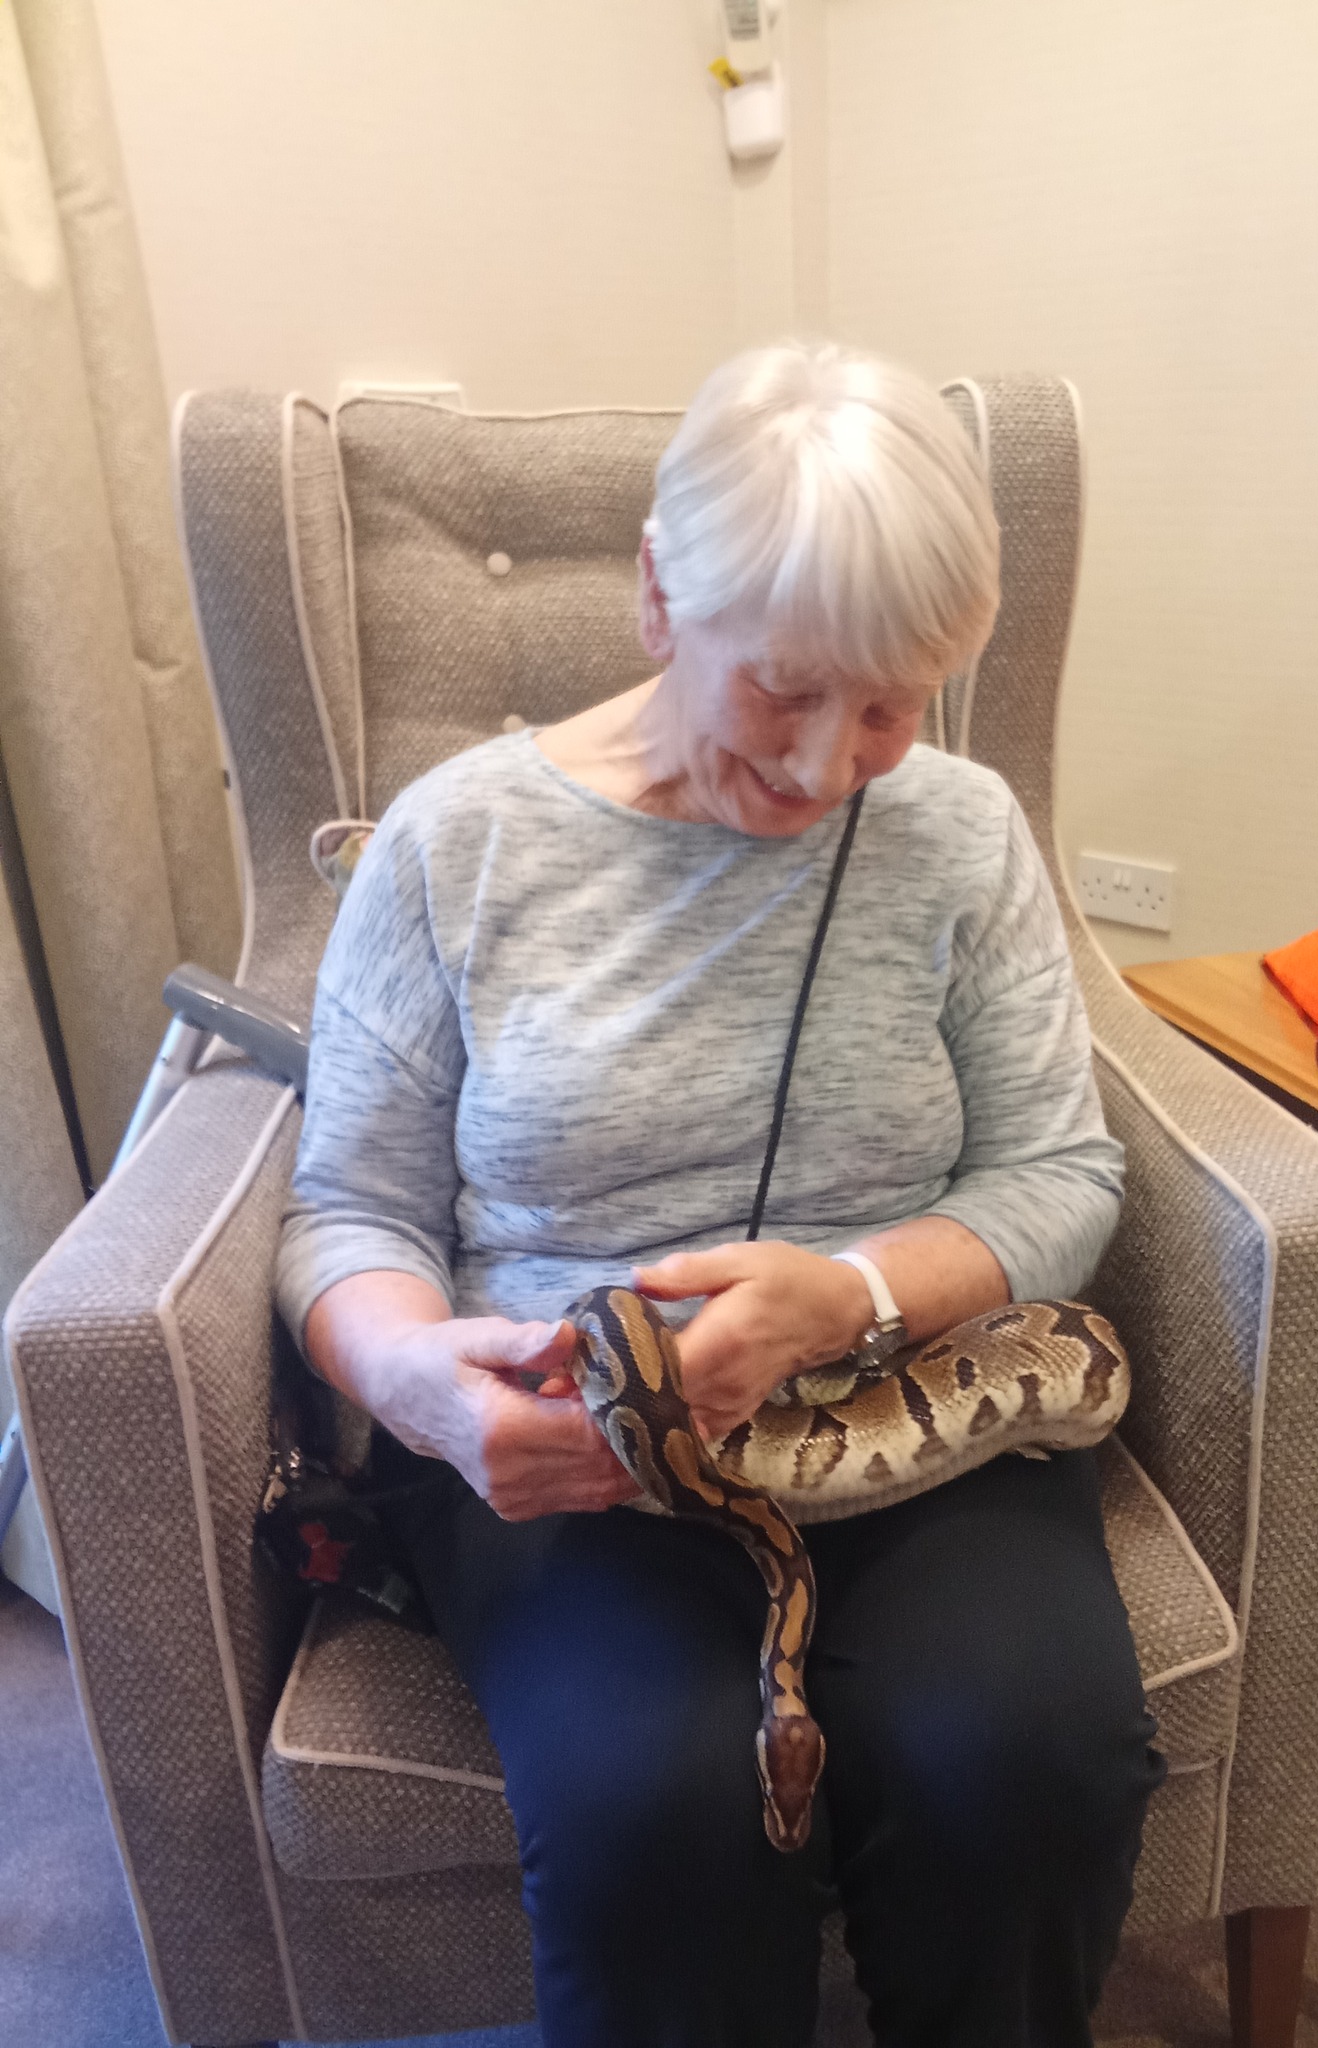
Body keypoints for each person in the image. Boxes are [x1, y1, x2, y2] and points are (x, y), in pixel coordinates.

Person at [276, 339, 1165, 2048]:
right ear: (658, 598)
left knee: (1031, 1767)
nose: (836, 765)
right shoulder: (454, 847)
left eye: (896, 706)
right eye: (790, 690)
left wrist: (850, 1297)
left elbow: (1060, 1172)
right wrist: (413, 1389)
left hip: (909, 1394)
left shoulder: (963, 837)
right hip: (570, 1454)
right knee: (653, 1821)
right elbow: (349, 1213)